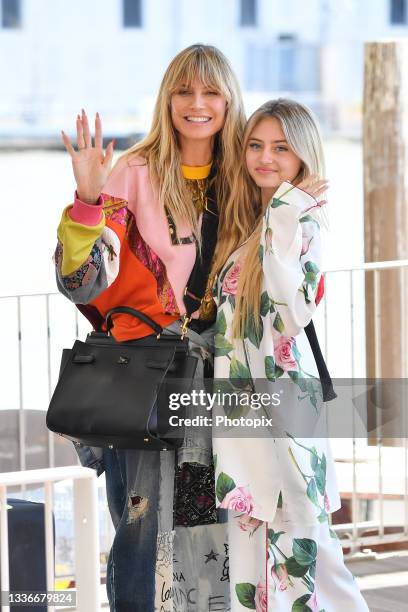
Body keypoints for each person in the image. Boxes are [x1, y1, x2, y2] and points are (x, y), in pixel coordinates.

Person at [54, 44, 246, 611]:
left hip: (218, 385)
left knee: (202, 527)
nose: (197, 103)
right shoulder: (134, 173)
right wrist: (89, 201)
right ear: (167, 98)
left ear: (228, 101)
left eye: (211, 91)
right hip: (149, 377)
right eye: (184, 90)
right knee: (141, 523)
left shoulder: (243, 175)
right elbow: (82, 283)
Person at [211, 99, 369, 611]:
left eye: (281, 147)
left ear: (303, 154)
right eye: (256, 145)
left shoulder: (303, 219)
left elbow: (288, 313)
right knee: (256, 571)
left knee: (311, 562)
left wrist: (283, 213)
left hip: (286, 419)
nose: (265, 158)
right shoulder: (251, 222)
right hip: (244, 420)